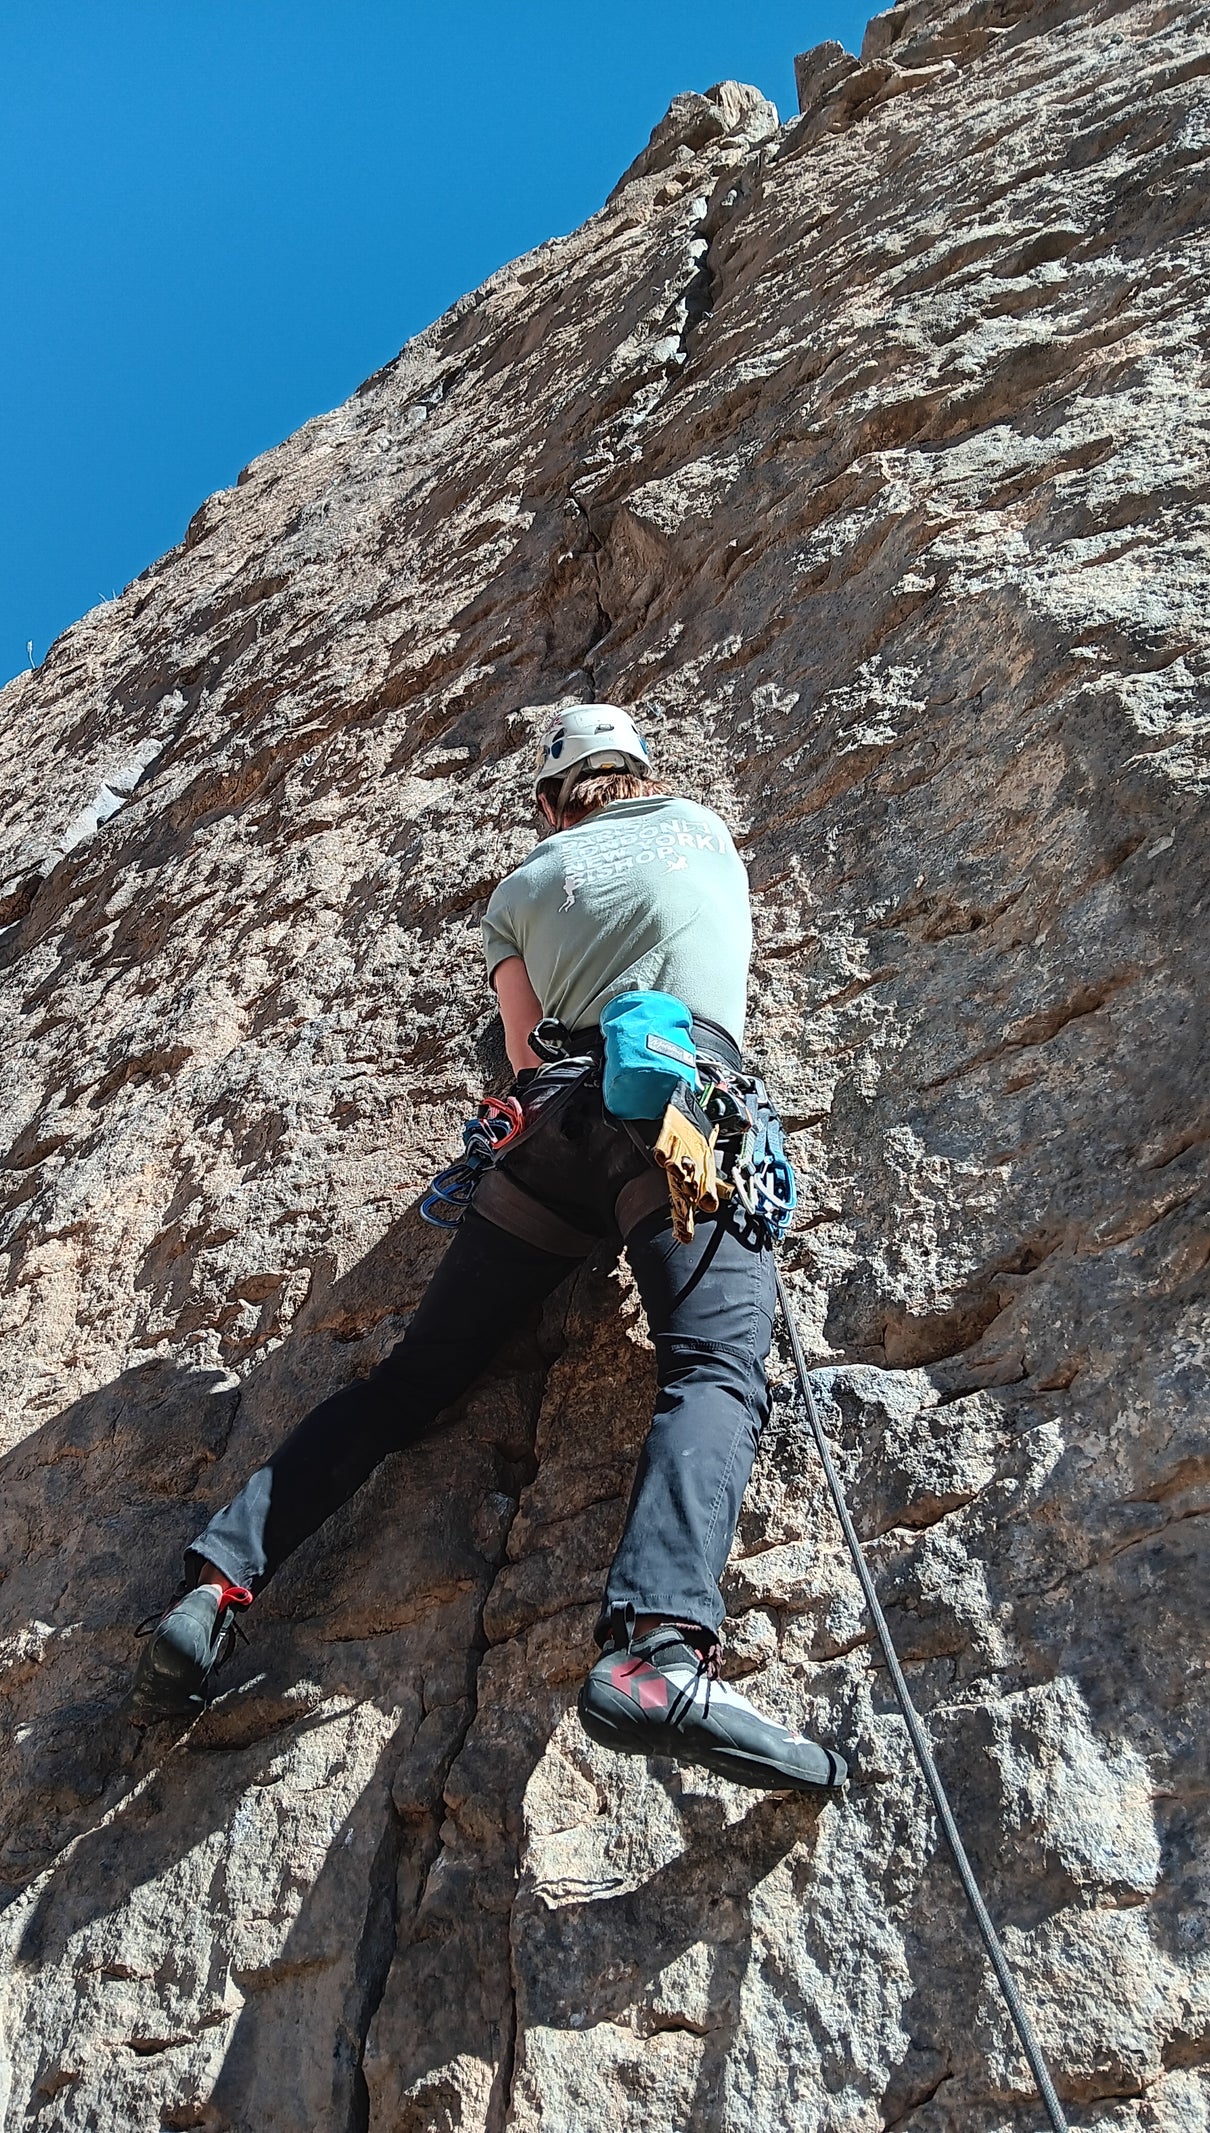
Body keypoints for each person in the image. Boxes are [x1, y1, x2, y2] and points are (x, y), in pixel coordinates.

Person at [132, 704, 848, 1794]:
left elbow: (521, 1053)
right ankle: (658, 1655)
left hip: (548, 1129)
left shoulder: (522, 890)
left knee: (412, 1383)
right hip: (672, 1107)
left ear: (549, 801)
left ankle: (217, 1583)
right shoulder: (701, 828)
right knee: (710, 1367)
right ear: (639, 772)